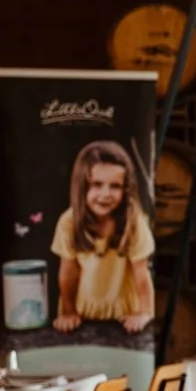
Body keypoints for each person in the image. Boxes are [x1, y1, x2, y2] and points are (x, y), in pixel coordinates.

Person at [52, 138, 155, 335]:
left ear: (125, 190)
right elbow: (68, 274)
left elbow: (142, 275)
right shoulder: (69, 222)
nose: (105, 194)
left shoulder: (133, 222)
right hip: (83, 316)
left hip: (125, 317)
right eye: (97, 184)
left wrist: (145, 313)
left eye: (115, 186)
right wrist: (68, 312)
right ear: (82, 186)